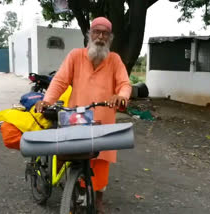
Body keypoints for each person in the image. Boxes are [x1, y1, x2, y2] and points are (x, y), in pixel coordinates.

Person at [35, 17, 132, 213]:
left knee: (102, 161)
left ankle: (98, 200)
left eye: (105, 33)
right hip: (76, 119)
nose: (100, 37)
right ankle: (73, 188)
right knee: (73, 155)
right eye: (97, 32)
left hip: (104, 121)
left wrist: (121, 96)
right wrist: (47, 100)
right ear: (89, 35)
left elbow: (124, 84)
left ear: (110, 38)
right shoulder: (75, 56)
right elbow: (60, 81)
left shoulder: (114, 60)